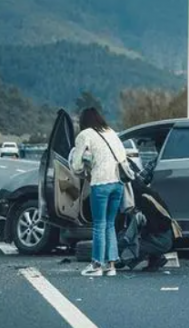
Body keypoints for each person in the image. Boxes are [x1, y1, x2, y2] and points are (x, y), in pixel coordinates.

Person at [70, 107, 128, 277]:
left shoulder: (84, 135)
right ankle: (111, 266)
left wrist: (87, 165)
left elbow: (76, 165)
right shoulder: (111, 132)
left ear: (83, 121)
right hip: (118, 183)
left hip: (101, 183)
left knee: (99, 225)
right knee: (110, 224)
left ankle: (96, 265)